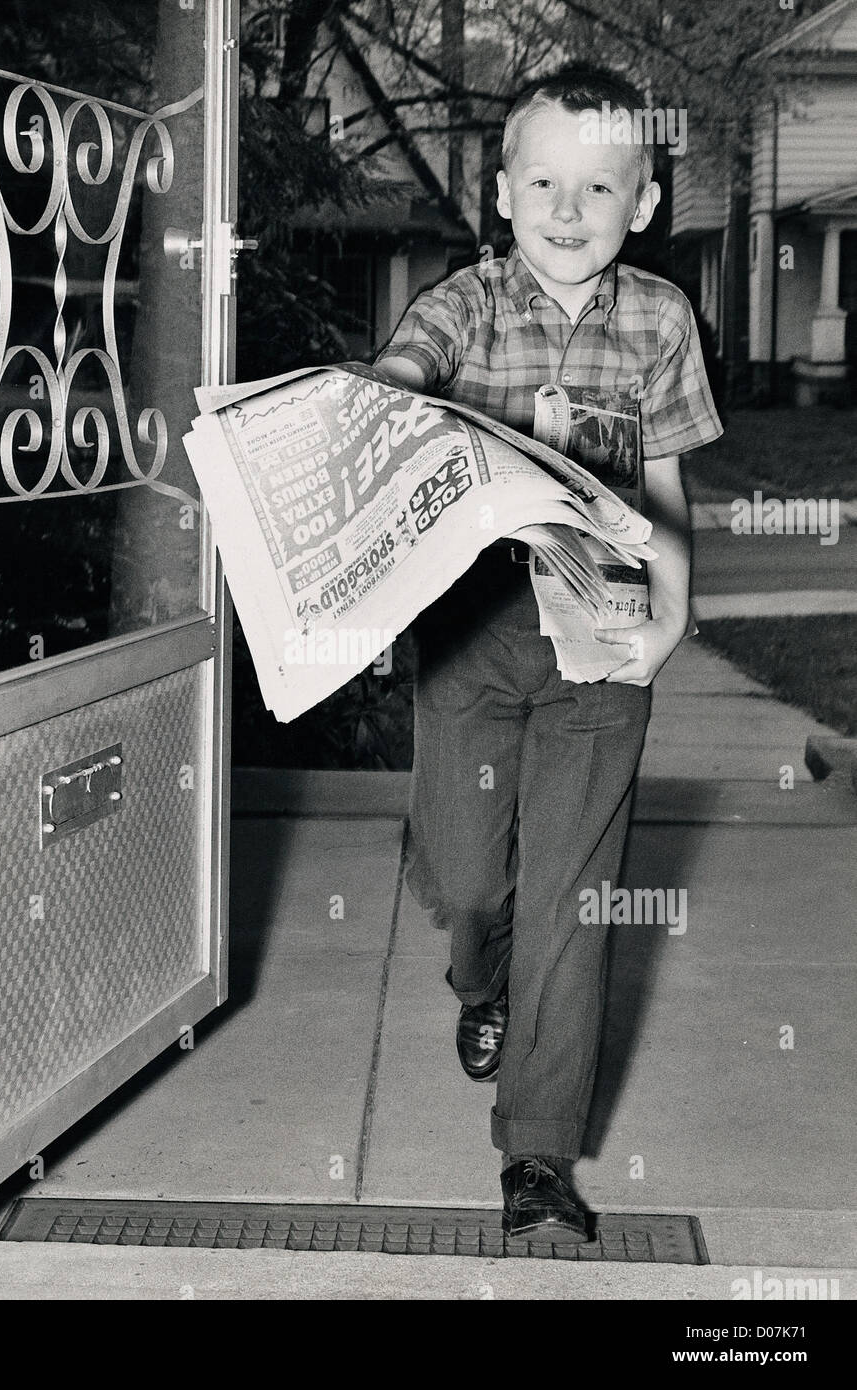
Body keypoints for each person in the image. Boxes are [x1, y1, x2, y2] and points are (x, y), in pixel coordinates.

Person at [373, 64, 723, 1241]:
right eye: (544, 182)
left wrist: (671, 616)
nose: (568, 209)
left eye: (599, 186)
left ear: (646, 200)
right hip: (471, 633)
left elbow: (668, 482)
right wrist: (396, 395)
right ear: (503, 192)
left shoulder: (663, 321)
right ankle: (485, 982)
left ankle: (537, 1155)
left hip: (601, 638)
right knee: (471, 881)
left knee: (575, 900)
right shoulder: (466, 302)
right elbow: (405, 372)